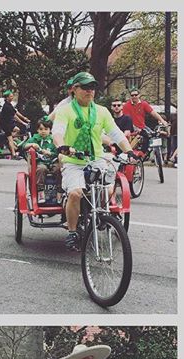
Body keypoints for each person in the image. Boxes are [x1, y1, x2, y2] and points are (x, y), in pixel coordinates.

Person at [53, 72, 138, 251]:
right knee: (75, 193)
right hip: (73, 161)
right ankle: (72, 231)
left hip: (96, 160)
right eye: (85, 87)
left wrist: (129, 151)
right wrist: (62, 146)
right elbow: (58, 132)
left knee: (107, 188)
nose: (90, 91)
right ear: (74, 90)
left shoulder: (101, 111)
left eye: (92, 87)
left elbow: (115, 133)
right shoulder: (65, 110)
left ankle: (101, 215)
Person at [20, 117, 60, 192]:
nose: (43, 131)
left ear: (50, 130)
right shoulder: (34, 139)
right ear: (37, 130)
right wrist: (32, 144)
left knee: (58, 169)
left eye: (46, 129)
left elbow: (57, 152)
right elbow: (23, 146)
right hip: (40, 162)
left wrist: (50, 153)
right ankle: (40, 190)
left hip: (52, 161)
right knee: (41, 169)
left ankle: (59, 190)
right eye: (41, 129)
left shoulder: (53, 140)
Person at [0, 90, 30, 158]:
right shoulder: (6, 106)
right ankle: (14, 154)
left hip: (9, 123)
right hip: (5, 124)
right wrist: (23, 122)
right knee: (10, 139)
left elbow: (16, 112)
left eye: (12, 96)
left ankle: (7, 140)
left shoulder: (9, 105)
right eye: (11, 96)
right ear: (7, 98)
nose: (12, 97)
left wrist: (24, 118)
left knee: (17, 129)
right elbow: (15, 116)